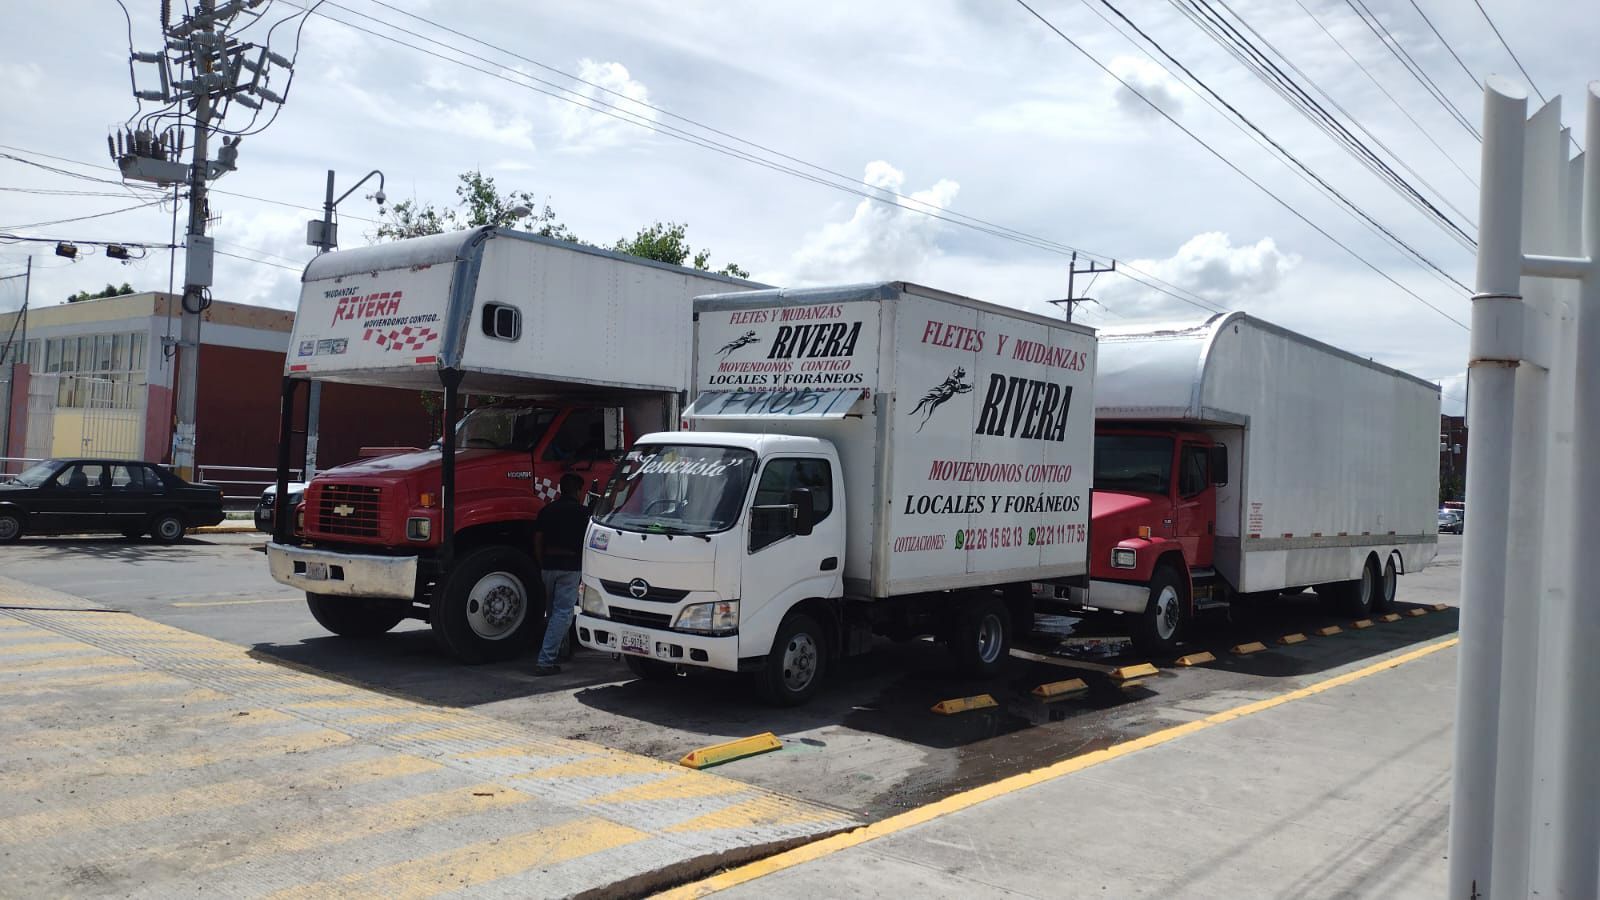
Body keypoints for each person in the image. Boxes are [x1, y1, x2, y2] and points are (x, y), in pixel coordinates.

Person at [533, 472, 589, 675]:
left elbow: (538, 539)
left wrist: (542, 563)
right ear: (577, 491)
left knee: (553, 612)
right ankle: (545, 661)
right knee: (563, 614)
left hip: (548, 565)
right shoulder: (584, 513)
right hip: (570, 567)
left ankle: (561, 650)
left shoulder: (547, 510)